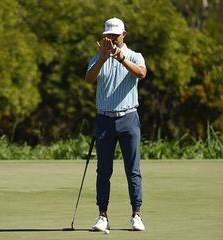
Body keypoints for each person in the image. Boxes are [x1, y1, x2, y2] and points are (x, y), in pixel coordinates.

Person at [85, 17, 147, 232]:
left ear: (124, 35)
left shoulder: (134, 56)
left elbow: (141, 73)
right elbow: (89, 79)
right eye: (107, 36)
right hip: (104, 119)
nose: (111, 39)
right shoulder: (97, 58)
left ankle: (136, 215)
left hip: (129, 118)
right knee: (103, 171)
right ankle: (102, 217)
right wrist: (103, 59)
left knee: (133, 170)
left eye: (115, 35)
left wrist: (121, 59)